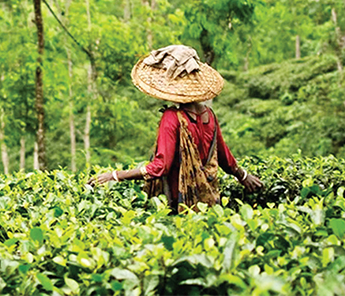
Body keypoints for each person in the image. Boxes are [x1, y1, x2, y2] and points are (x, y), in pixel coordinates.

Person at [88, 45, 262, 213]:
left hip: (180, 203)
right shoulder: (210, 115)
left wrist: (115, 175)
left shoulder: (172, 118)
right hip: (209, 200)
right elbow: (224, 159)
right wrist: (244, 176)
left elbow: (160, 167)